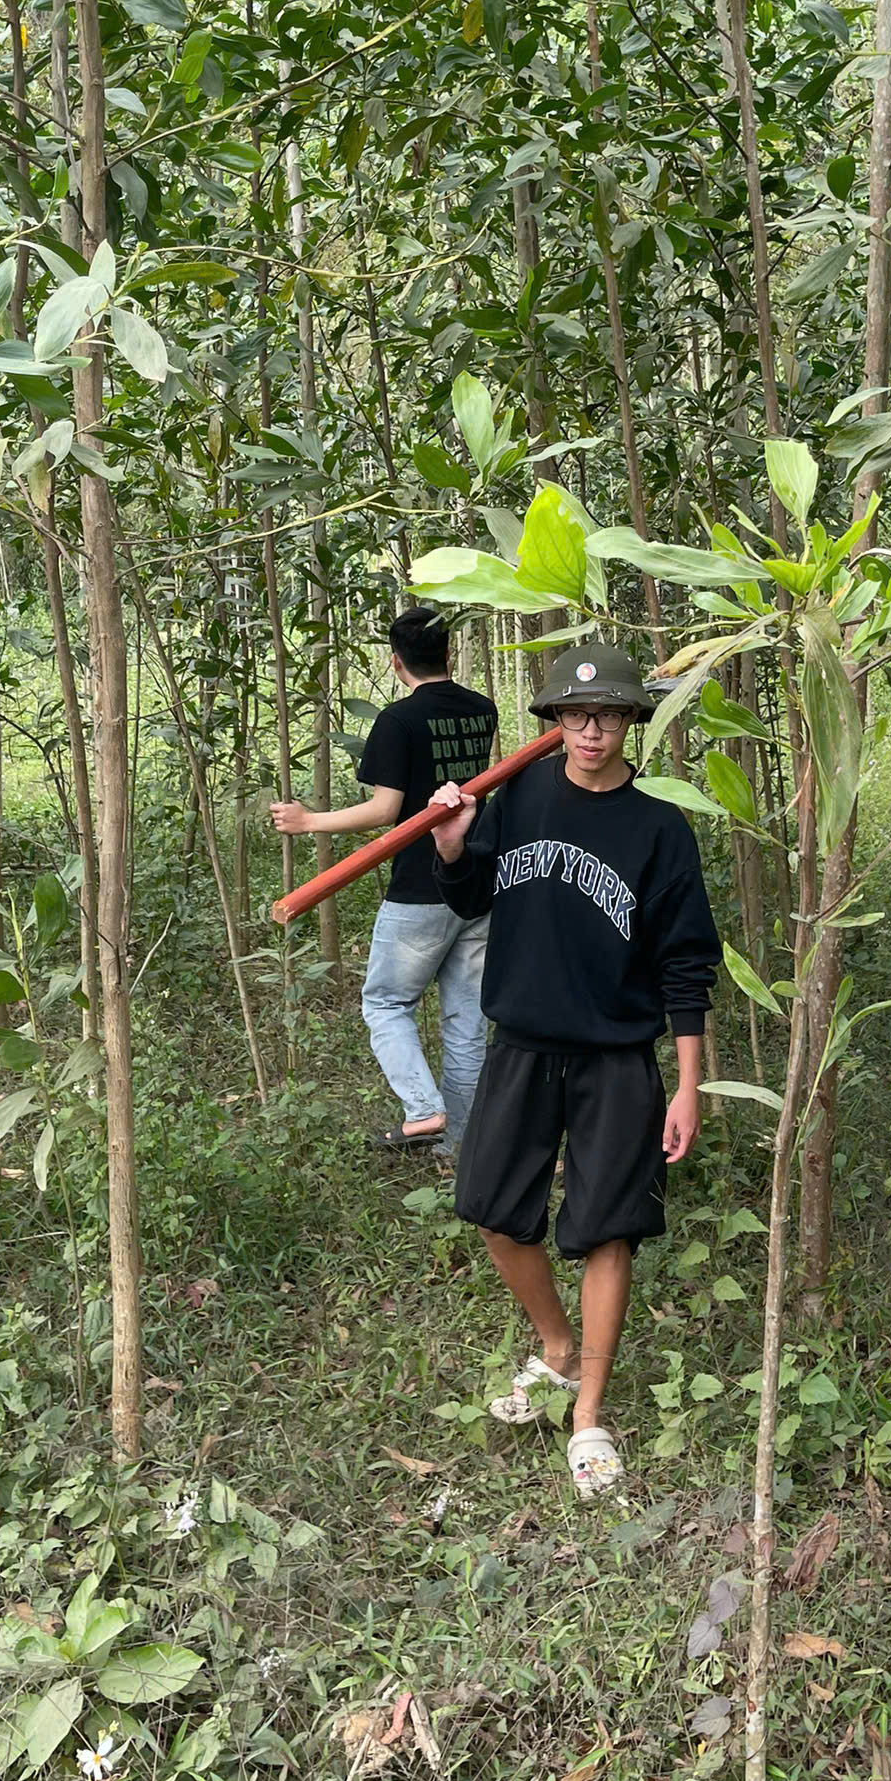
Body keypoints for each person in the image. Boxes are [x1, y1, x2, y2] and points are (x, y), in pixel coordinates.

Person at [428, 640, 719, 1499]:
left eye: (609, 715)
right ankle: (555, 1345)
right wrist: (452, 847)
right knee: (491, 1209)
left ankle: (588, 1410)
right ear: (553, 720)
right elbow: (472, 896)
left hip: (616, 1055)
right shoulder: (519, 794)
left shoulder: (659, 827)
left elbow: (687, 966)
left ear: (632, 721)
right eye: (574, 715)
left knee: (606, 1227)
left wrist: (689, 1085)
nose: (591, 731)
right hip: (520, 1042)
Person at [271, 608, 497, 1155]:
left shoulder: (398, 720)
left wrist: (308, 821)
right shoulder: (482, 709)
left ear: (396, 663)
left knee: (386, 1003)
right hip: (477, 879)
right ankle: (459, 1146)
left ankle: (423, 1109)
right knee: (466, 1021)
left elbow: (385, 810)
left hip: (421, 886)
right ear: (449, 653)